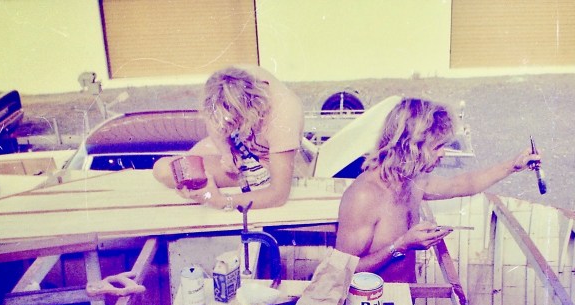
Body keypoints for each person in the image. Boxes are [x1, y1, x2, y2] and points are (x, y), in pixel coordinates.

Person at [335, 98, 541, 283]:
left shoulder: (413, 180)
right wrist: (401, 245)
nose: (443, 153)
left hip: (405, 300)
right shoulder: (364, 195)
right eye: (437, 147)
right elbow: (341, 272)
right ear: (410, 146)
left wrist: (513, 166)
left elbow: (463, 184)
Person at [153, 65, 304, 210]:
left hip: (262, 161)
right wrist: (226, 151)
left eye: (234, 122)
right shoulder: (232, 78)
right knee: (177, 170)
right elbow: (212, 119)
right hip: (238, 144)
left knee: (166, 171)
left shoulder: (283, 118)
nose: (226, 127)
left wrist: (222, 201)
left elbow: (279, 195)